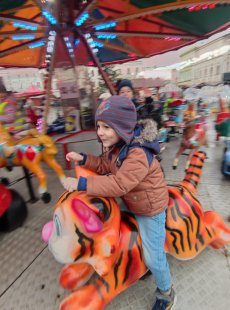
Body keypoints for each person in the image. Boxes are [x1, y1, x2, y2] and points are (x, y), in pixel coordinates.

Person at [62, 96, 176, 310]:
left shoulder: (138, 153)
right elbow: (105, 164)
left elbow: (118, 184)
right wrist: (84, 159)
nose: (100, 132)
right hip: (133, 200)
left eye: (106, 126)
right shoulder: (119, 145)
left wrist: (82, 184)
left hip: (150, 209)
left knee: (154, 257)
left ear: (122, 127)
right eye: (98, 126)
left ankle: (166, 292)